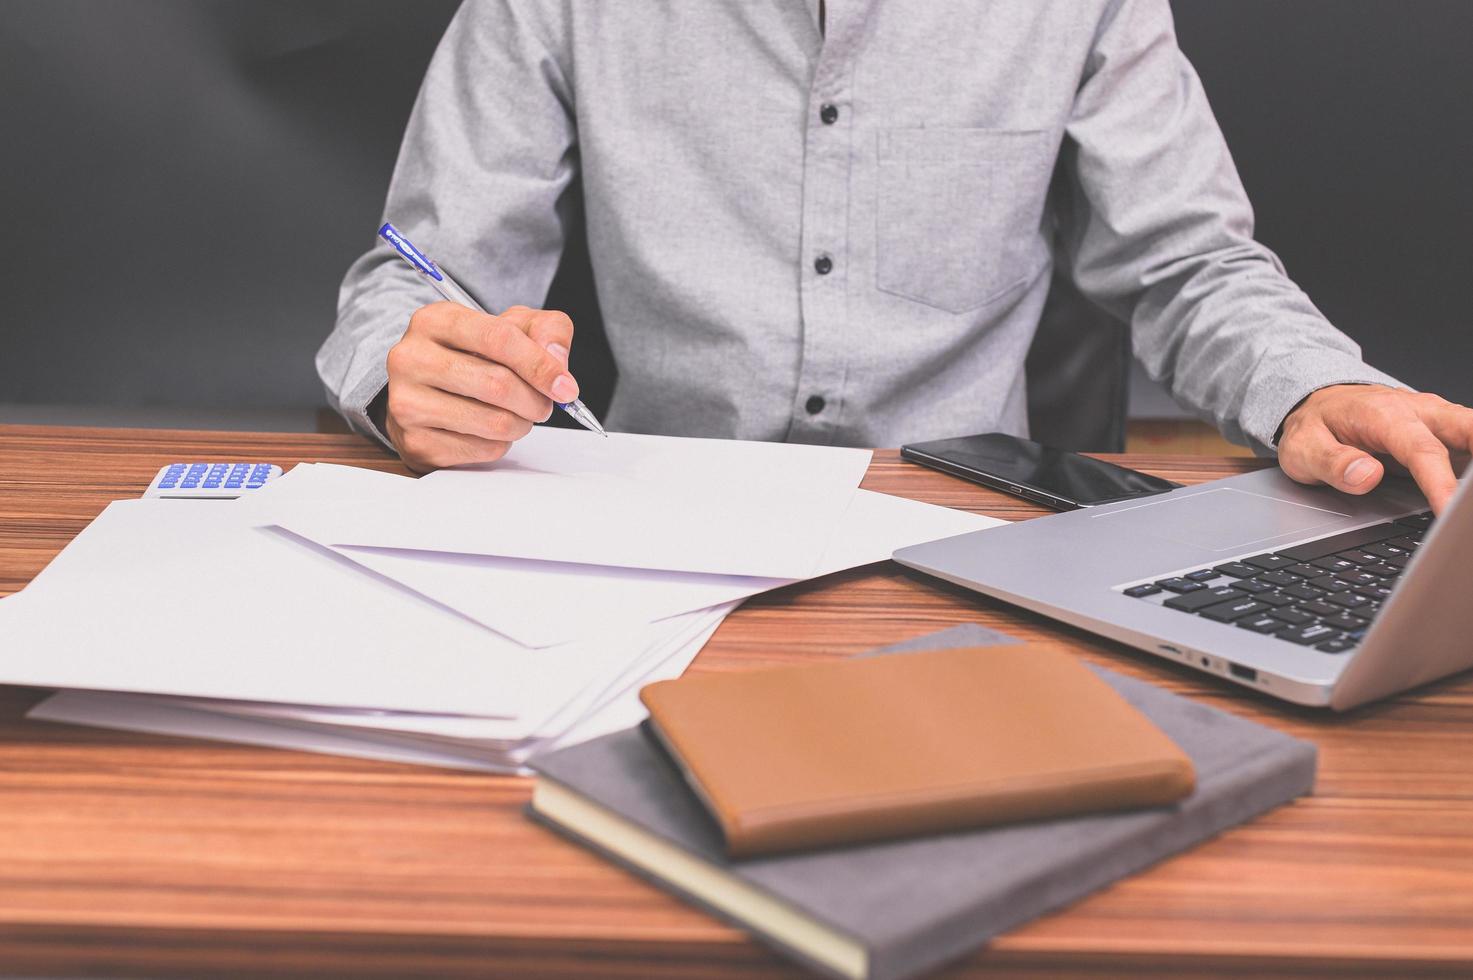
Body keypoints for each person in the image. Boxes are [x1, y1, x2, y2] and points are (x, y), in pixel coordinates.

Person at [319, 0, 1471, 512]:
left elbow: (1187, 263)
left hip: (976, 536)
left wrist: (1314, 383)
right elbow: (417, 278)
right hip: (656, 532)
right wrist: (407, 372)